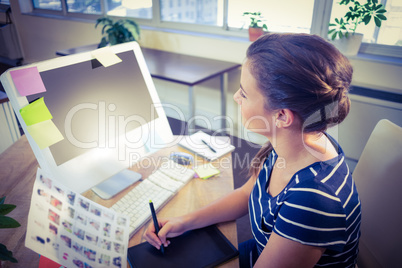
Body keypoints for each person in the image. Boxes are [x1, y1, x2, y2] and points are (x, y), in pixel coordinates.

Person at [144, 33, 361, 268]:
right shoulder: (295, 142)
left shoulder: (312, 200)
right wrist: (185, 221)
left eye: (244, 93)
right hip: (260, 251)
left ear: (282, 116)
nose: (236, 97)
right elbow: (248, 194)